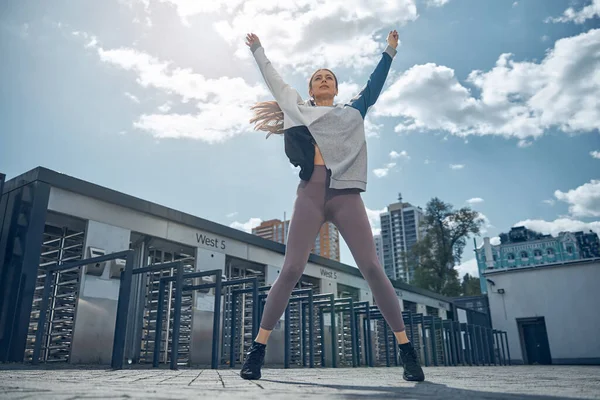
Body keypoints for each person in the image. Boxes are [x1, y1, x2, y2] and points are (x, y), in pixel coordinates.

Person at [240, 31, 425, 382]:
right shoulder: (297, 108)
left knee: (371, 267)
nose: (324, 80)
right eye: (317, 78)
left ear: (336, 90)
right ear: (311, 90)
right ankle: (257, 350)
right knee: (291, 269)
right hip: (310, 194)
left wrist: (390, 50)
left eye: (329, 78)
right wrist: (257, 50)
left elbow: (376, 81)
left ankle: (406, 351)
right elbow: (274, 78)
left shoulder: (353, 111)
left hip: (346, 197)